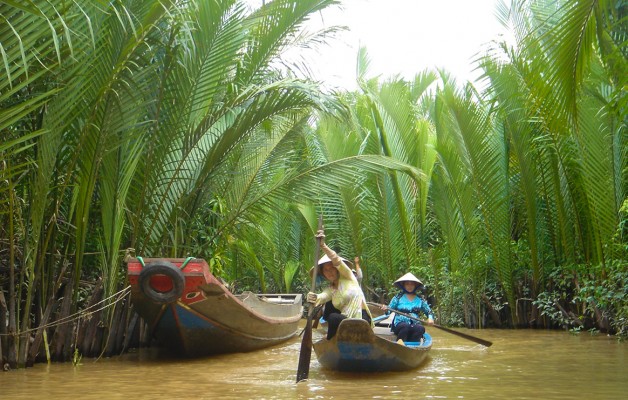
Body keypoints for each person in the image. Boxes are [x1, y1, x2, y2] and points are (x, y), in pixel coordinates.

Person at [307, 231, 372, 339]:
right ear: (323, 274)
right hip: (346, 323)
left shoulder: (348, 276)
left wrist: (323, 245)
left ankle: (331, 342)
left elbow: (336, 260)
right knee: (332, 317)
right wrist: (313, 298)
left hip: (362, 320)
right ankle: (332, 345)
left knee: (332, 317)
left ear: (337, 269)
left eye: (331, 268)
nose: (329, 272)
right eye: (326, 270)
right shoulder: (331, 290)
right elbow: (321, 297)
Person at [381, 272, 434, 345]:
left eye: (412, 284)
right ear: (403, 285)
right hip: (400, 324)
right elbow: (389, 310)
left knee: (420, 328)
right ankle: (400, 345)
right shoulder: (398, 297)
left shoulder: (420, 299)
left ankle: (414, 347)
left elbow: (429, 312)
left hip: (414, 323)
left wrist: (430, 318)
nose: (410, 286)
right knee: (405, 327)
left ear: (415, 285)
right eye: (407, 284)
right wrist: (386, 309)